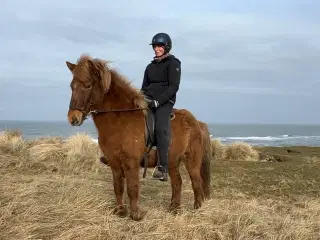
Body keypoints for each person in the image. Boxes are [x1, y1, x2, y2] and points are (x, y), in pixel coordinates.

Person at [140, 32, 182, 182]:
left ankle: (162, 168)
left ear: (166, 47)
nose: (157, 49)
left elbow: (173, 87)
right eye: (155, 46)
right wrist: (140, 99)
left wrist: (158, 101)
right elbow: (144, 87)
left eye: (159, 46)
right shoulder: (149, 67)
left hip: (165, 102)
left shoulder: (173, 64)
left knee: (160, 127)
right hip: (148, 100)